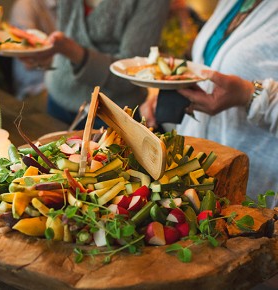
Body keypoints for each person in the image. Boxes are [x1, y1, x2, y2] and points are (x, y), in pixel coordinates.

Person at [141, 0, 278, 206]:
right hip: (196, 176)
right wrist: (172, 90)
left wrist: (249, 94)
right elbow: (212, 69)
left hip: (246, 191)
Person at [21, 0, 170, 128]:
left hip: (111, 113)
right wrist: (44, 52)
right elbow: (67, 30)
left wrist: (71, 51)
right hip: (58, 98)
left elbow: (133, 74)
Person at [8, 0, 57, 100]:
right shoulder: (25, 5)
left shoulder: (72, 5)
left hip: (63, 82)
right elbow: (30, 59)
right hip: (35, 88)